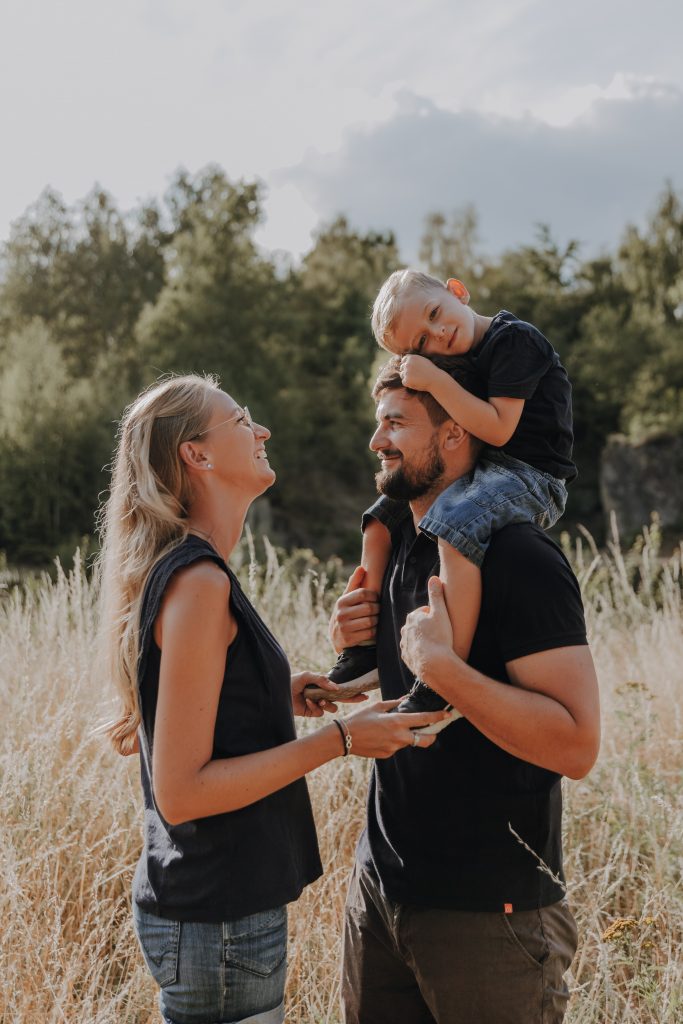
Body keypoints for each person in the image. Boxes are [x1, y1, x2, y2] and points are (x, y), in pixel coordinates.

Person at [96, 373, 447, 1024]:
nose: (261, 430)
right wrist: (342, 740)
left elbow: (190, 700)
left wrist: (271, 694)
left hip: (213, 912)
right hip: (218, 920)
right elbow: (182, 792)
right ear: (197, 455)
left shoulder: (192, 568)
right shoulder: (198, 582)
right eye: (240, 421)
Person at [331, 357, 601, 1024]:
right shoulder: (402, 543)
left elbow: (576, 744)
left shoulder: (518, 557)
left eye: (396, 424)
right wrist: (350, 657)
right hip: (380, 893)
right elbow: (413, 682)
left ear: (454, 434)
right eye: (378, 423)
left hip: (490, 915)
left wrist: (445, 671)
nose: (377, 441)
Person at [327, 270, 575, 731]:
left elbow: (497, 428)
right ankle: (364, 648)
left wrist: (435, 380)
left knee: (456, 524)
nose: (438, 333)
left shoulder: (514, 340)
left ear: (457, 291)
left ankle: (442, 677)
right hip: (489, 468)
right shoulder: (459, 357)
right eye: (423, 343)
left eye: (435, 313)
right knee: (382, 516)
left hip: (532, 476)